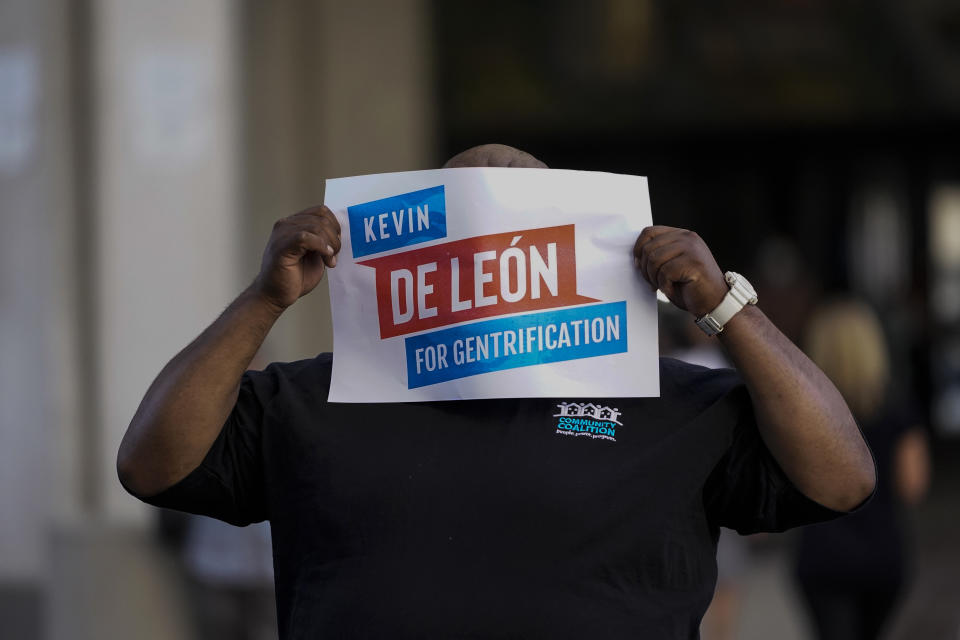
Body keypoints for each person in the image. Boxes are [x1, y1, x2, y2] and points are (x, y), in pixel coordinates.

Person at [117, 144, 875, 639]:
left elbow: (843, 477)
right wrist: (263, 299)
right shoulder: (317, 400)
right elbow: (152, 464)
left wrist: (726, 308)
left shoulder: (671, 405)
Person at [794, 299, 931, 640]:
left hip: (821, 553)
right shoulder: (898, 409)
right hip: (883, 551)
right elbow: (912, 487)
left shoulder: (802, 411)